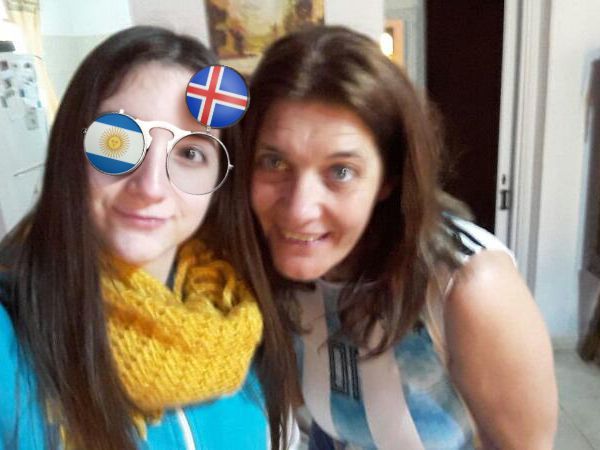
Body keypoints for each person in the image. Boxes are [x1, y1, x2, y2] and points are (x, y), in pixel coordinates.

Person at [223, 25, 558, 449]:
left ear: (388, 178)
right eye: (274, 161)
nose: (298, 209)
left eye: (341, 171)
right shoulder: (262, 261)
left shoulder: (469, 288)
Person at [0, 26, 296, 450]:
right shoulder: (10, 337)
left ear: (220, 182)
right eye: (118, 140)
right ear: (71, 148)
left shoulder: (243, 315)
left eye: (190, 153)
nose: (151, 185)